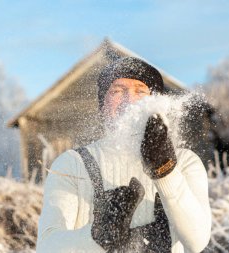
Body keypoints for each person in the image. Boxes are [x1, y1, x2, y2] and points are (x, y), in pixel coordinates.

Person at [36, 57, 211, 253]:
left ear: (157, 103)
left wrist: (165, 172)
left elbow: (197, 242)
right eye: (117, 91)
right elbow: (46, 248)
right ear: (102, 106)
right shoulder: (73, 164)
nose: (129, 100)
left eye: (140, 90)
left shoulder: (184, 162)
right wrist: (96, 237)